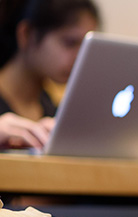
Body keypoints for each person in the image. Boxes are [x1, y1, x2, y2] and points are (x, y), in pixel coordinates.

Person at [0, 0, 98, 150]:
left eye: (86, 46)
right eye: (70, 43)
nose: (80, 56)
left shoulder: (53, 111)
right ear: (26, 34)